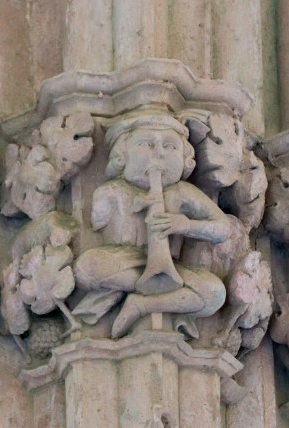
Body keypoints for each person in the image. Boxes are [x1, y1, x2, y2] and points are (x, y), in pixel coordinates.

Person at [73, 111, 230, 338]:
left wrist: (184, 225)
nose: (159, 154)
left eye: (170, 147)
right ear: (122, 156)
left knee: (215, 293)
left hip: (172, 269)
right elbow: (96, 220)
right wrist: (136, 203)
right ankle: (154, 291)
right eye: (146, 145)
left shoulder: (182, 192)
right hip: (125, 262)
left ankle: (142, 305)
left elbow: (222, 228)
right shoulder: (113, 189)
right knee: (86, 269)